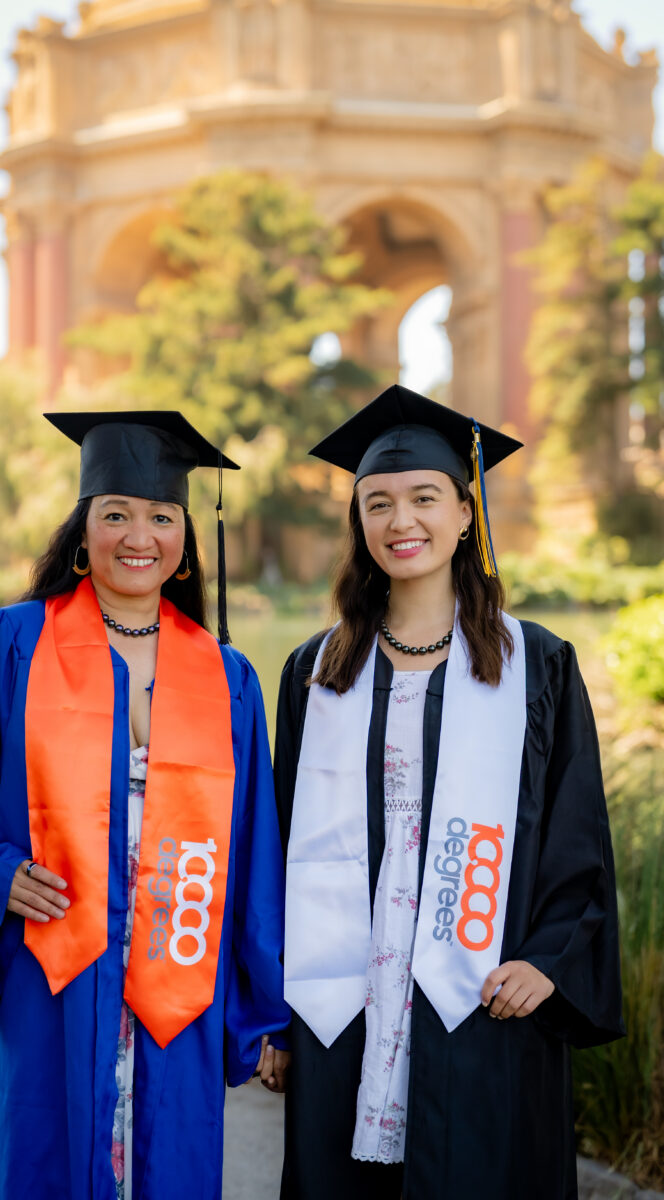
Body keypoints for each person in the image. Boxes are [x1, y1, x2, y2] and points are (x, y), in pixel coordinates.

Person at [0, 410, 290, 1200]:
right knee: (44, 1156)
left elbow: (253, 852)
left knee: (168, 1166)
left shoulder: (228, 676)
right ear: (82, 531)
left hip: (179, 970)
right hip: (51, 975)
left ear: (185, 541)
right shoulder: (9, 644)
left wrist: (264, 1007)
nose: (140, 536)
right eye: (116, 514)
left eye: (161, 517)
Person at [275, 385, 623, 1200]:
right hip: (344, 999)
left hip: (482, 995)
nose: (402, 520)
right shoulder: (316, 672)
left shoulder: (536, 665)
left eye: (425, 498)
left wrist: (549, 961)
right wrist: (271, 1010)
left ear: (466, 513)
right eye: (378, 503)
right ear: (359, 522)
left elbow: (576, 830)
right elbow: (280, 838)